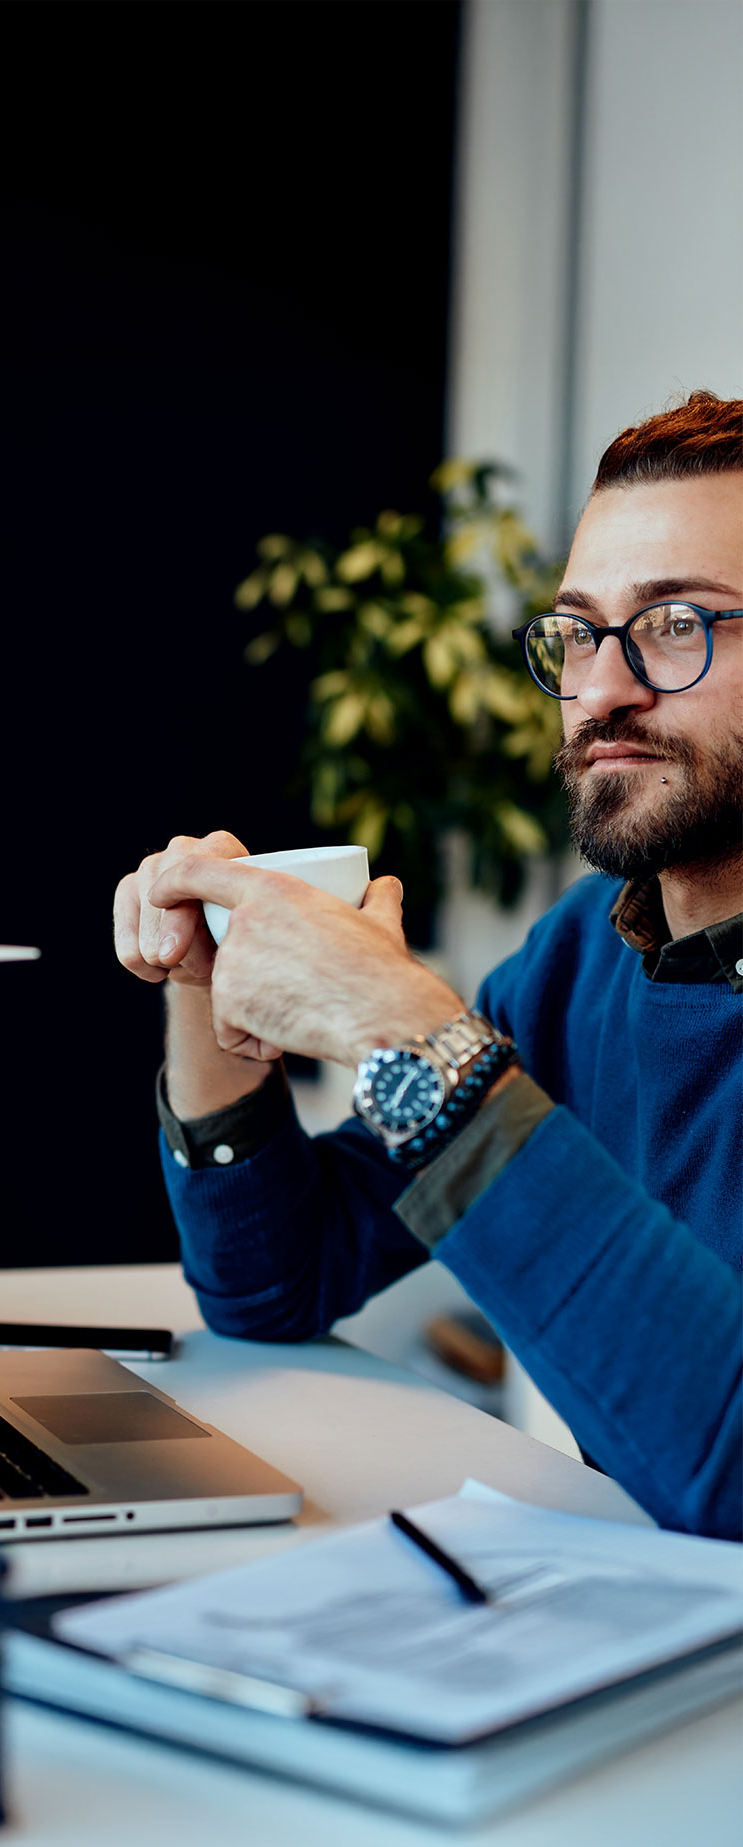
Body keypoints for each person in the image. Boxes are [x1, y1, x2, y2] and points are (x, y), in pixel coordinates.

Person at [113, 391, 743, 1541]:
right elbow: (277, 1286)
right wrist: (208, 978)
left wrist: (412, 1039)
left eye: (676, 624)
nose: (599, 692)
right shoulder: (584, 955)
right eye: (579, 633)